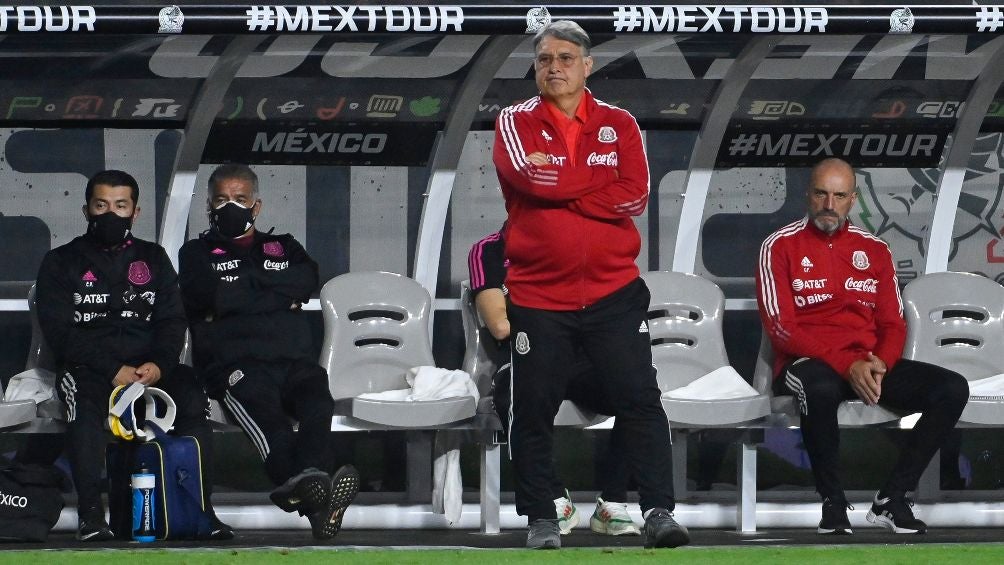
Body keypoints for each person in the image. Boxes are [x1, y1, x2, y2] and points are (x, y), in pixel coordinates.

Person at [491, 20, 689, 550]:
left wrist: (563, 182)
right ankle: (540, 519)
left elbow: (635, 197)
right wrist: (596, 180)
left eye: (563, 57)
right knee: (530, 409)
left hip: (612, 295)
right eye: (543, 59)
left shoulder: (619, 124)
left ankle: (658, 513)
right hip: (539, 299)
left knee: (641, 401)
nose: (552, 67)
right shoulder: (515, 121)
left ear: (587, 65)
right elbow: (530, 180)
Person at [756, 157, 969, 535]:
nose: (829, 204)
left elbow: (893, 323)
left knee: (952, 388)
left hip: (868, 363)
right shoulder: (778, 245)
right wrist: (845, 364)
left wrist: (880, 365)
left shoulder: (874, 249)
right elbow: (781, 329)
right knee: (818, 387)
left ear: (852, 200)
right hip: (808, 362)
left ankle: (892, 498)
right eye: (821, 193)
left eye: (839, 196)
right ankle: (832, 502)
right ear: (809, 195)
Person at [35, 170, 232, 541]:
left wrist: (159, 365)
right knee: (85, 403)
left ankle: (202, 510)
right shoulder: (60, 261)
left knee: (191, 392)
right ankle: (91, 516)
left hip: (149, 369)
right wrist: (113, 370)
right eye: (101, 205)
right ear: (86, 210)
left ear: (135, 212)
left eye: (120, 206)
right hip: (90, 370)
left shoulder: (153, 258)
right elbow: (60, 334)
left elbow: (173, 321)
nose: (111, 214)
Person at [178, 164, 358, 541]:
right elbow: (206, 296)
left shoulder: (285, 246)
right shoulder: (195, 253)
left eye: (240, 199)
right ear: (209, 205)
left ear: (256, 206)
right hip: (235, 367)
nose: (231, 206)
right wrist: (276, 293)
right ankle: (314, 499)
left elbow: (307, 279)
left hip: (294, 363)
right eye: (222, 199)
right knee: (271, 425)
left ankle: (307, 489)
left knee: (318, 406)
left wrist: (238, 293)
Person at [469, 226, 640, 537]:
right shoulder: (489, 249)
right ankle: (553, 498)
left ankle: (612, 502)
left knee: (637, 394)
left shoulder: (578, 243)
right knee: (513, 394)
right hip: (528, 356)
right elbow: (499, 326)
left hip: (587, 360)